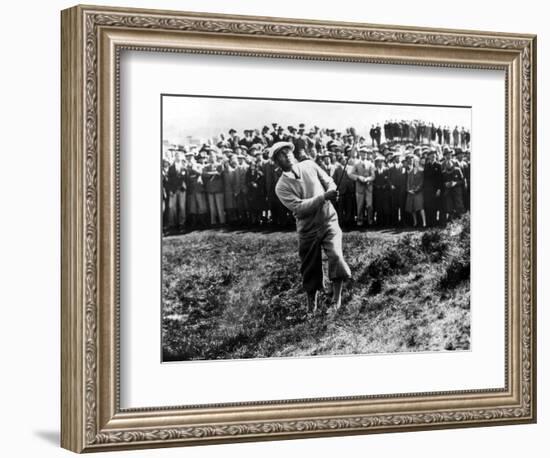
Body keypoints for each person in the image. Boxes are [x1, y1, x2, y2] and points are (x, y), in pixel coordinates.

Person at [273, 142, 351, 314]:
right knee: (310, 268)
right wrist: (324, 196)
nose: (287, 155)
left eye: (288, 152)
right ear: (277, 162)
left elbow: (328, 181)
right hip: (307, 229)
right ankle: (311, 308)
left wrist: (332, 190)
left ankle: (336, 301)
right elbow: (300, 207)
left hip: (328, 219)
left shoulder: (309, 165)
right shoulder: (281, 186)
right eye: (281, 155)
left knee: (336, 257)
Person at [349, 147, 375, 227]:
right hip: (359, 187)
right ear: (360, 154)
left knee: (369, 205)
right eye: (363, 153)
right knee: (360, 205)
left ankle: (370, 219)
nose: (364, 154)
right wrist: (358, 177)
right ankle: (360, 220)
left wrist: (368, 179)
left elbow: (373, 176)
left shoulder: (371, 164)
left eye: (366, 153)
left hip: (368, 187)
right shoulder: (356, 164)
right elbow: (350, 174)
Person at [404, 155, 426, 227]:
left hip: (418, 192)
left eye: (416, 162)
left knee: (420, 207)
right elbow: (408, 182)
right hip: (411, 192)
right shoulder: (410, 172)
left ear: (418, 162)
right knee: (412, 208)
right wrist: (408, 190)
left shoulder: (421, 171)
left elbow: (422, 182)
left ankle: (424, 222)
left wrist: (417, 189)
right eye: (414, 162)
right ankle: (415, 222)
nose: (415, 163)